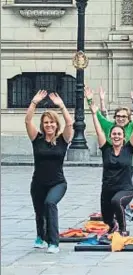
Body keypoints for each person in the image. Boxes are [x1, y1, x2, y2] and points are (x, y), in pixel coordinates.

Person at [86, 87, 133, 235]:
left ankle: (123, 230)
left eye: (119, 134)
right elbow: (99, 129)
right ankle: (112, 226)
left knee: (117, 202)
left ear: (123, 136)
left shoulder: (129, 147)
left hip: (125, 189)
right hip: (107, 189)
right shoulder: (106, 148)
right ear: (111, 136)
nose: (117, 136)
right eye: (114, 134)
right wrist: (93, 112)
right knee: (106, 218)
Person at [25, 90, 73, 254]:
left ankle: (54, 242)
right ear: (42, 125)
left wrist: (61, 106)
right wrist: (34, 102)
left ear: (56, 124)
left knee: (49, 204)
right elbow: (27, 120)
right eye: (46, 123)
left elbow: (69, 124)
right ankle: (40, 236)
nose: (49, 125)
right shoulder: (36, 139)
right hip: (38, 183)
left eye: (52, 122)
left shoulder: (62, 140)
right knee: (40, 211)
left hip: (58, 183)